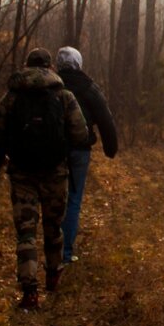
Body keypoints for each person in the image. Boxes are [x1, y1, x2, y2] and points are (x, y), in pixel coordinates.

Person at [0, 48, 88, 310]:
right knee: (54, 226)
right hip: (55, 172)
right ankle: (53, 274)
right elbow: (80, 134)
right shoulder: (64, 96)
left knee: (26, 233)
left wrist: (0, 157)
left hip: (22, 174)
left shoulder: (12, 96)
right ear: (50, 66)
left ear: (27, 65)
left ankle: (30, 292)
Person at [55, 46, 118, 264]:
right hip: (80, 150)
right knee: (73, 199)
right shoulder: (88, 87)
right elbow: (105, 118)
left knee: (53, 199)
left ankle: (51, 250)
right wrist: (111, 148)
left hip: (54, 151)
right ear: (79, 63)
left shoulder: (50, 85)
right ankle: (65, 253)